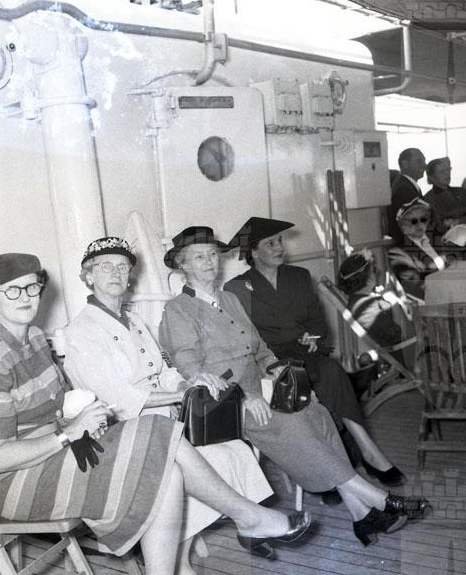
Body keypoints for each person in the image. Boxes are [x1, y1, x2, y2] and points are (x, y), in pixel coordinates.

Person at [0, 252, 313, 574]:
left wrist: (79, 416)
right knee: (159, 439)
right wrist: (68, 432)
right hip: (14, 483)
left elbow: (58, 403)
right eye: (12, 291)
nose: (25, 297)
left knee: (168, 472)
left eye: (32, 287)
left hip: (55, 453)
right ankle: (249, 518)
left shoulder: (32, 337)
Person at [159, 227, 427, 546]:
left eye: (213, 255)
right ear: (183, 265)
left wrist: (283, 375)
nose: (209, 262)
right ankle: (380, 499)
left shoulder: (229, 299)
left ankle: (361, 514)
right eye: (199, 257)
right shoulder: (177, 309)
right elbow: (192, 369)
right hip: (226, 403)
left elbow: (260, 349)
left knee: (317, 413)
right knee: (293, 424)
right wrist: (242, 397)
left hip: (261, 387)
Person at [63, 237, 276, 569]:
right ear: (88, 276)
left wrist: (188, 382)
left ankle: (183, 555)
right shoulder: (81, 330)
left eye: (122, 267)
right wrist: (182, 394)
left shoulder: (133, 320)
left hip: (163, 420)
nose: (116, 273)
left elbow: (162, 371)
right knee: (200, 462)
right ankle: (182, 561)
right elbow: (117, 399)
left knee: (232, 450)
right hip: (119, 430)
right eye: (105, 267)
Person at [224, 217, 404, 488]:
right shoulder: (237, 288)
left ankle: (363, 453)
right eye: (270, 243)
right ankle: (338, 465)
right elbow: (241, 338)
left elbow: (318, 322)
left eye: (280, 240)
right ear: (253, 252)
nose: (279, 247)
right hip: (269, 361)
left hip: (303, 353)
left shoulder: (299, 277)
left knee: (331, 371)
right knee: (314, 382)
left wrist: (314, 337)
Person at [337, 250, 415, 366]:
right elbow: (401, 335)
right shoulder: (367, 309)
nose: (376, 273)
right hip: (408, 354)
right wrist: (394, 302)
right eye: (373, 270)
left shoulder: (359, 300)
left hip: (403, 348)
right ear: (366, 278)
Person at [388, 198, 448, 301]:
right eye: (413, 221)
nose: (419, 225)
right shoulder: (397, 252)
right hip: (427, 301)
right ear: (403, 227)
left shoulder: (436, 240)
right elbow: (414, 286)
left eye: (423, 219)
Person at [388, 148, 426, 241]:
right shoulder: (404, 189)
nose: (424, 165)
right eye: (419, 161)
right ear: (405, 164)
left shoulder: (407, 185)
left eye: (424, 161)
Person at [423, 156, 466, 236]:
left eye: (448, 170)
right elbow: (439, 226)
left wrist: (457, 221)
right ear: (432, 177)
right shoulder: (428, 199)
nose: (447, 173)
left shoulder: (461, 192)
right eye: (442, 171)